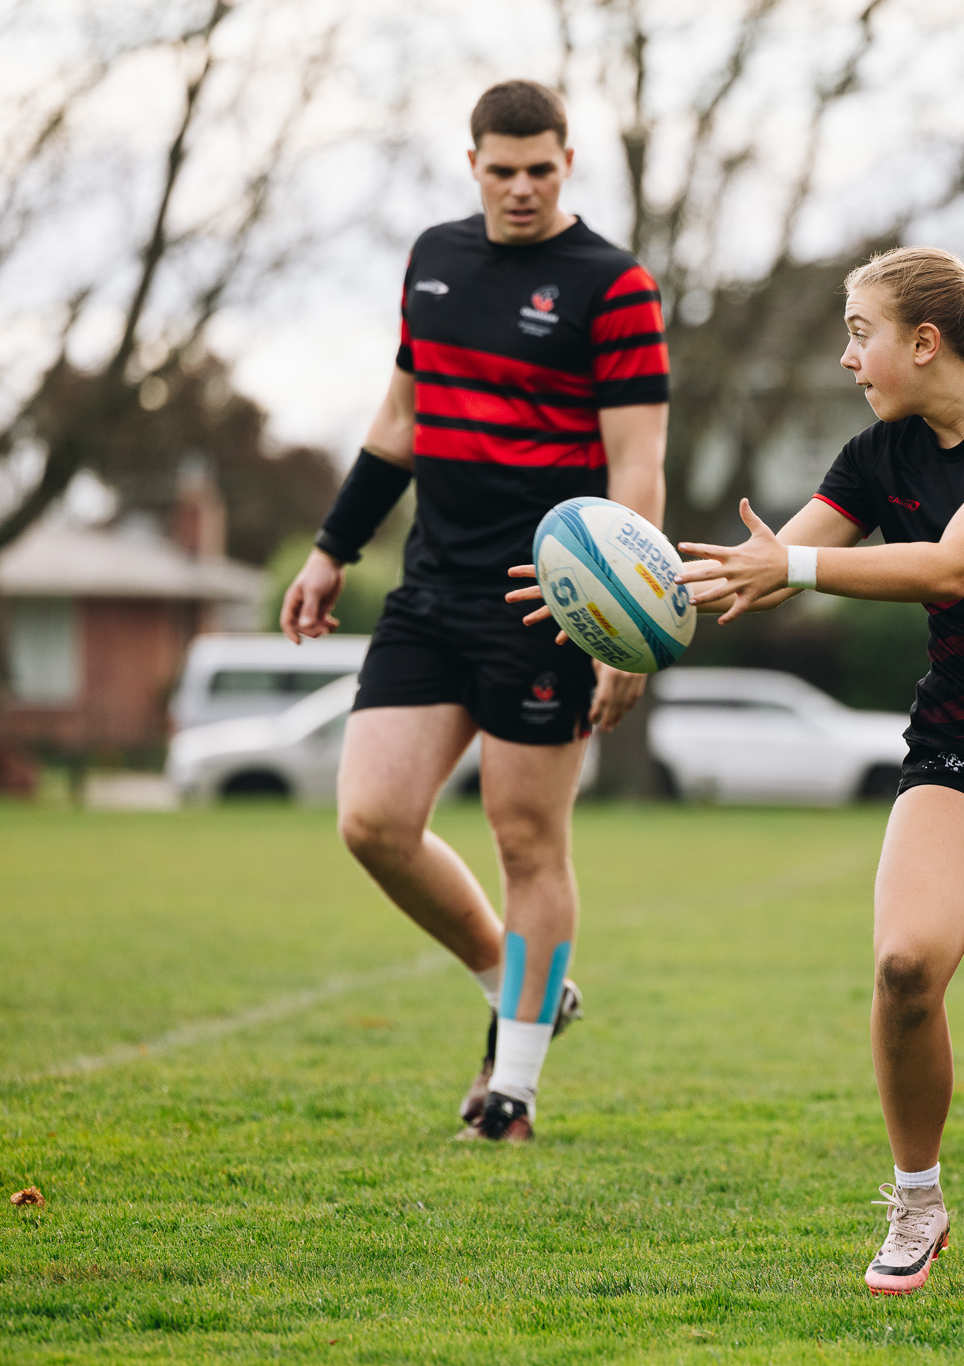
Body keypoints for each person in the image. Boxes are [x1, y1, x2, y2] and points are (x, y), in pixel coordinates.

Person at [558, 246, 964, 1296]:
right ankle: (917, 1199)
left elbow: (953, 564)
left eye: (859, 333)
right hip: (960, 747)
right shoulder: (879, 453)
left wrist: (791, 563)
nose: (846, 357)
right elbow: (766, 571)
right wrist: (617, 603)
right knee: (904, 966)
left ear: (924, 342)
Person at [278, 80, 669, 1143]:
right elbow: (400, 419)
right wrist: (329, 549)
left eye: (541, 168)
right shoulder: (434, 258)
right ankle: (519, 980)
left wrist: (624, 625)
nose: (522, 188)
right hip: (429, 589)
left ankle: (513, 1088)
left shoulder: (614, 285)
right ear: (473, 165)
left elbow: (638, 466)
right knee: (372, 821)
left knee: (526, 839)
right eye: (502, 170)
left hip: (547, 605)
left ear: (567, 162)